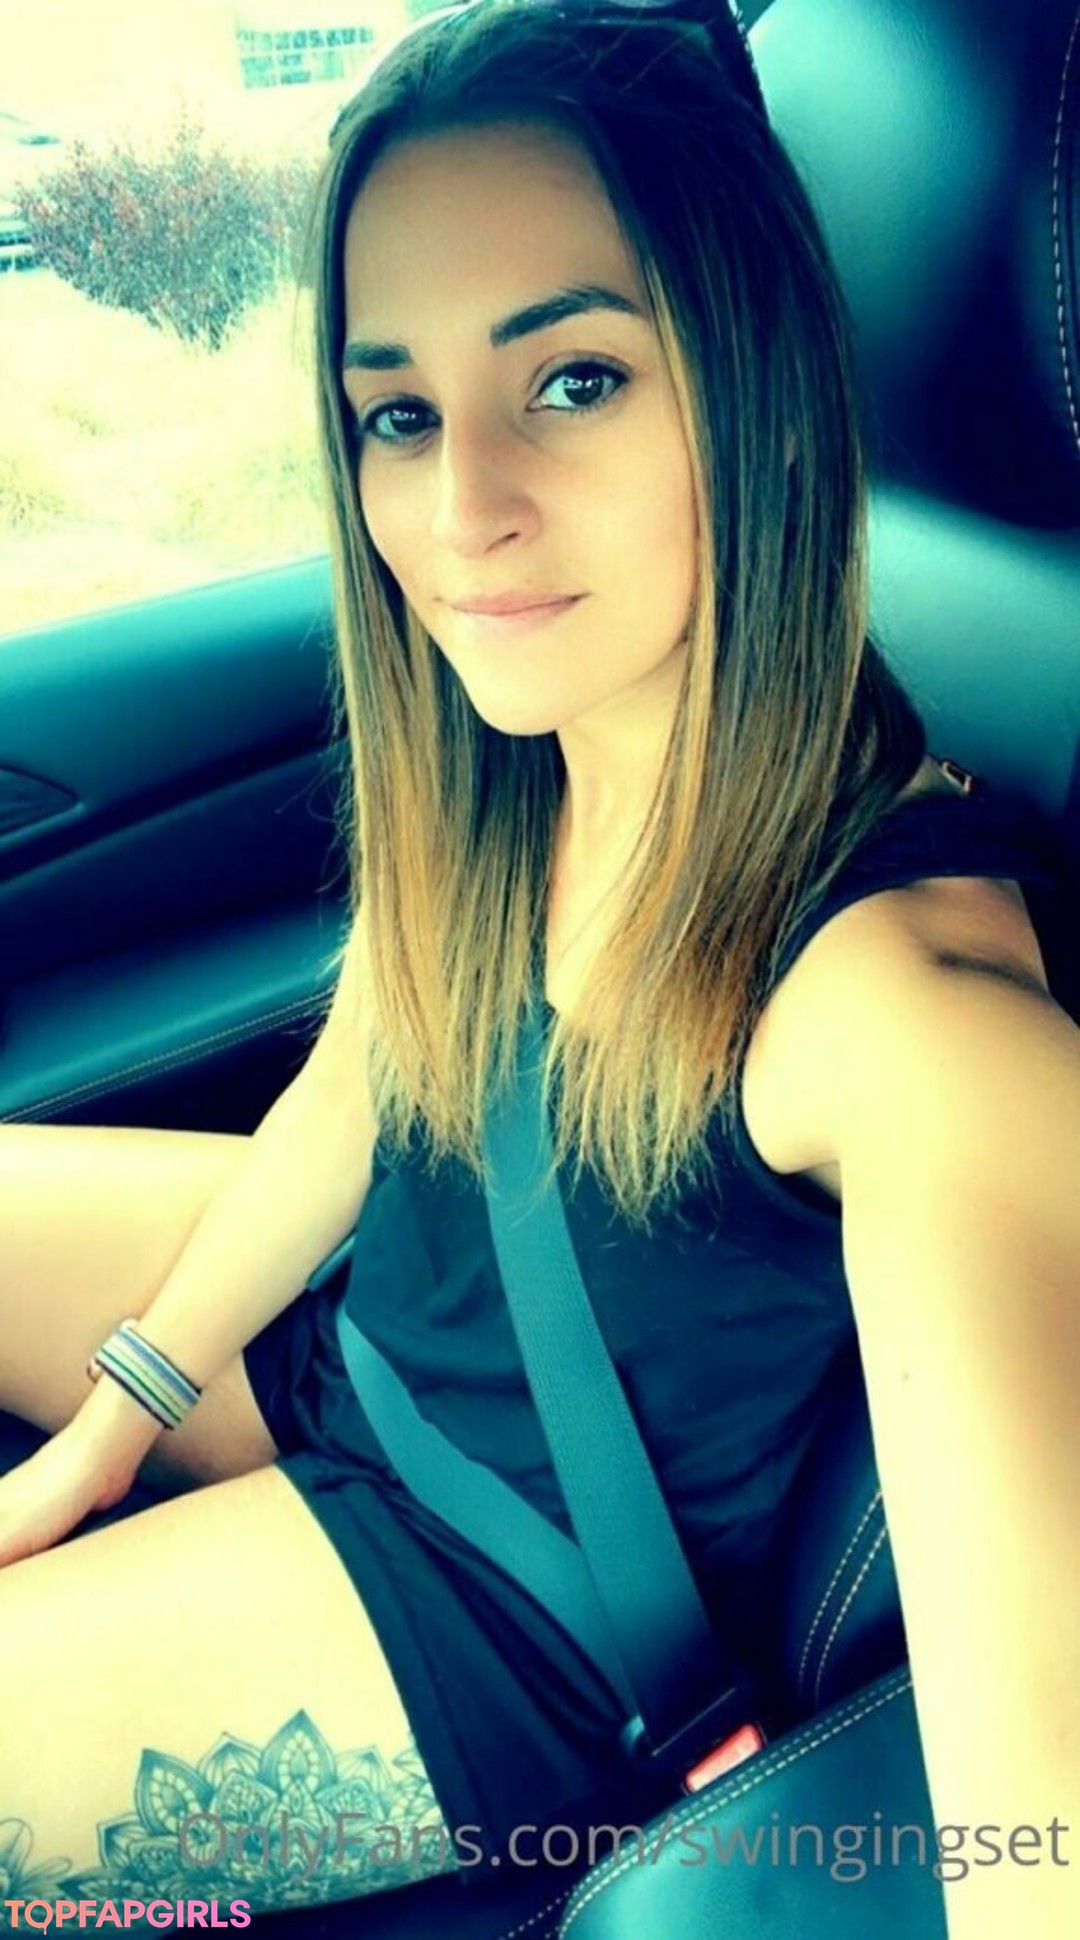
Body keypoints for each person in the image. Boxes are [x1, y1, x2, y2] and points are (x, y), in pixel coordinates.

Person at [0, 3, 1075, 1934]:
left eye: (572, 381)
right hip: (357, 1352)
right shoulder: (527, 763)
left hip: (496, 1612)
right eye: (397, 412)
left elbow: (1036, 1851)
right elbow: (369, 1079)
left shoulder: (918, 1029)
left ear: (757, 391)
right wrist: (112, 1423)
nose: (456, 513)